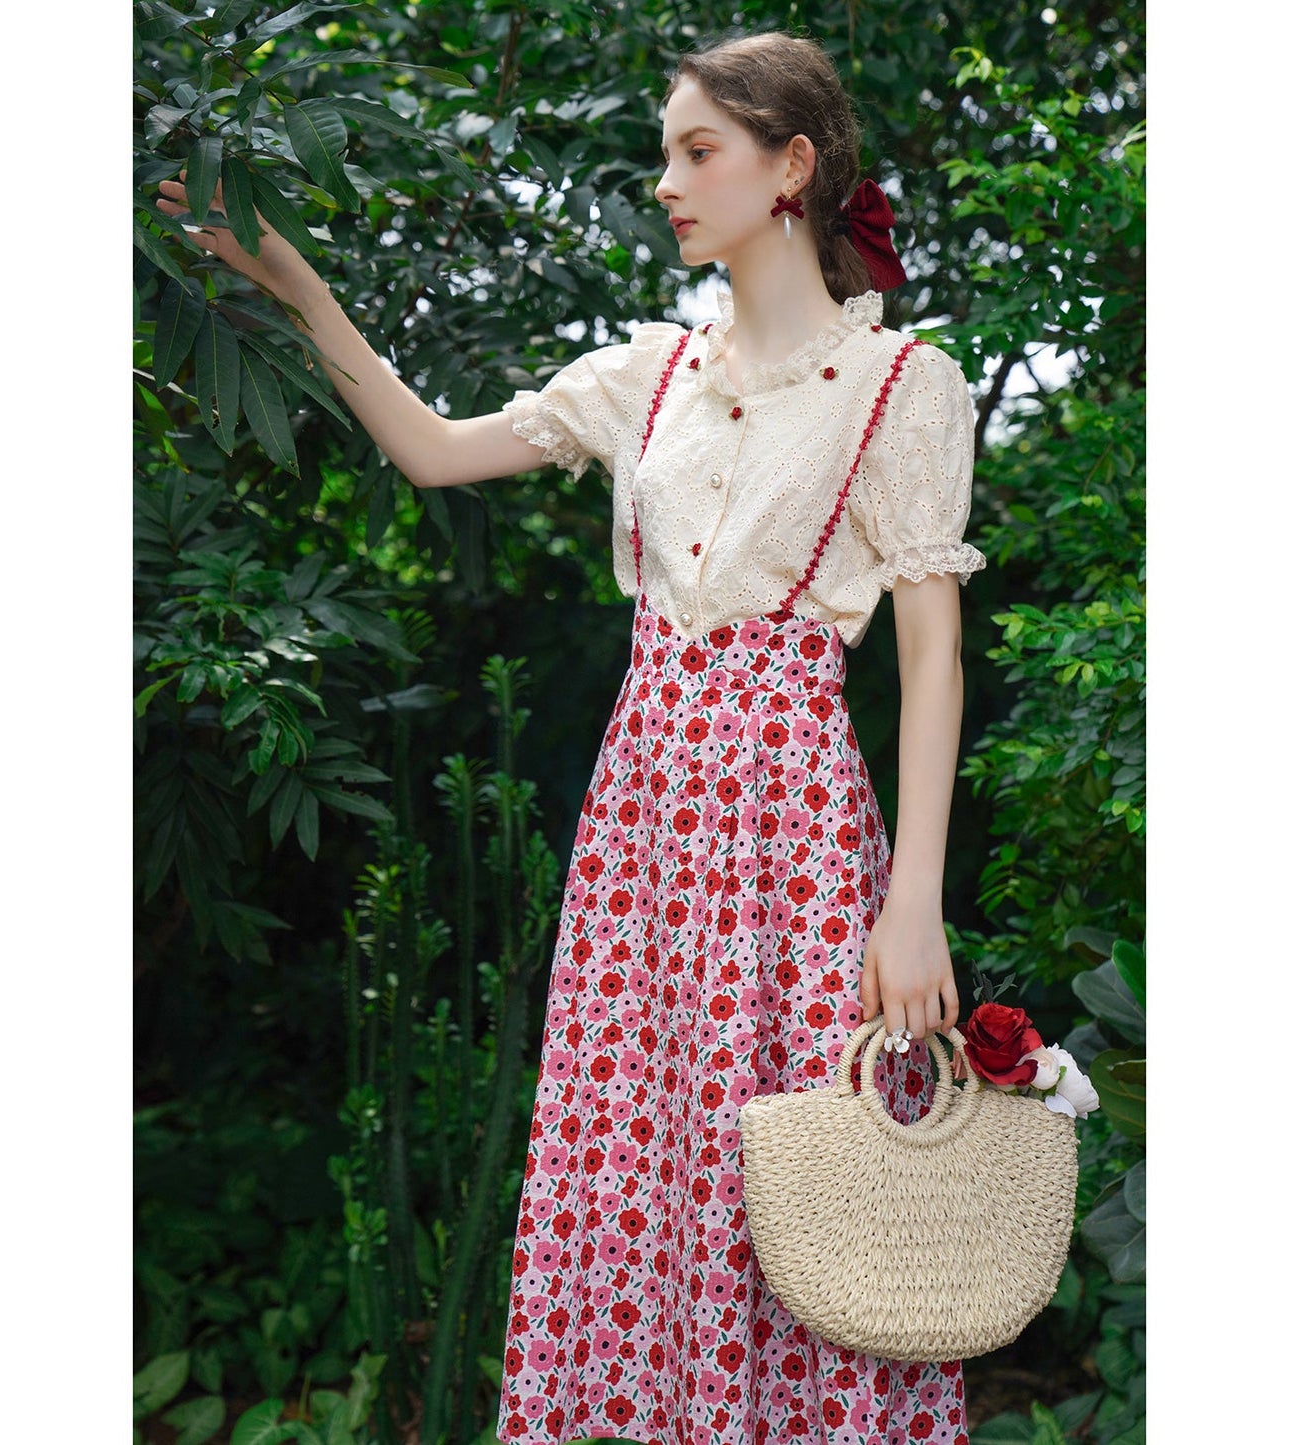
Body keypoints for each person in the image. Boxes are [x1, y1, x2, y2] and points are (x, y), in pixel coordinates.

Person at [160, 28, 983, 1445]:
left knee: (810, 1176)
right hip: (643, 833)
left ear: (791, 167)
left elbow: (931, 658)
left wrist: (912, 904)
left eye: (698, 151)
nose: (666, 182)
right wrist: (292, 280)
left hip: (791, 839)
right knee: (644, 1155)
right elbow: (432, 449)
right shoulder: (646, 375)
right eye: (666, 152)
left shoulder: (901, 387)